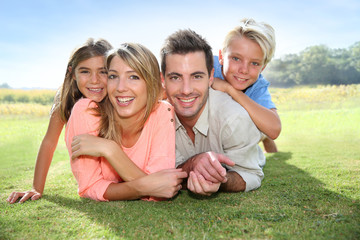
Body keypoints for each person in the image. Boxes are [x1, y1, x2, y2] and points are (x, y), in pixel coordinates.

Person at [65, 43, 187, 201]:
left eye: (133, 77)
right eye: (113, 76)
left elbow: (160, 189)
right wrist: (145, 187)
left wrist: (110, 150)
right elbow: (89, 186)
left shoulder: (163, 113)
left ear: (152, 83)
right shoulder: (87, 111)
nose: (120, 87)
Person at [160, 29, 265, 196]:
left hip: (246, 150)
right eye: (175, 77)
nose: (186, 90)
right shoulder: (157, 120)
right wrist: (194, 163)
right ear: (163, 81)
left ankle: (264, 145)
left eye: (196, 76)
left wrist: (219, 180)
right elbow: (162, 171)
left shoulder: (234, 118)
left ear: (210, 77)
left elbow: (251, 174)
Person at [7, 38, 112, 204]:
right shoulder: (65, 100)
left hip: (120, 165)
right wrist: (37, 188)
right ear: (72, 72)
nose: (95, 80)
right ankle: (97, 184)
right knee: (84, 106)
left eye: (103, 72)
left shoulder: (119, 94)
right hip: (93, 175)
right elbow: (49, 142)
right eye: (85, 71)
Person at [212, 18, 281, 153]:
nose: (244, 70)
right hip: (216, 125)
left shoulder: (257, 85)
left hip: (243, 127)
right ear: (221, 56)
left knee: (261, 124)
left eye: (254, 63)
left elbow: (274, 129)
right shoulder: (206, 66)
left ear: (263, 68)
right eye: (236, 58)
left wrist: (230, 90)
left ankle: (264, 137)